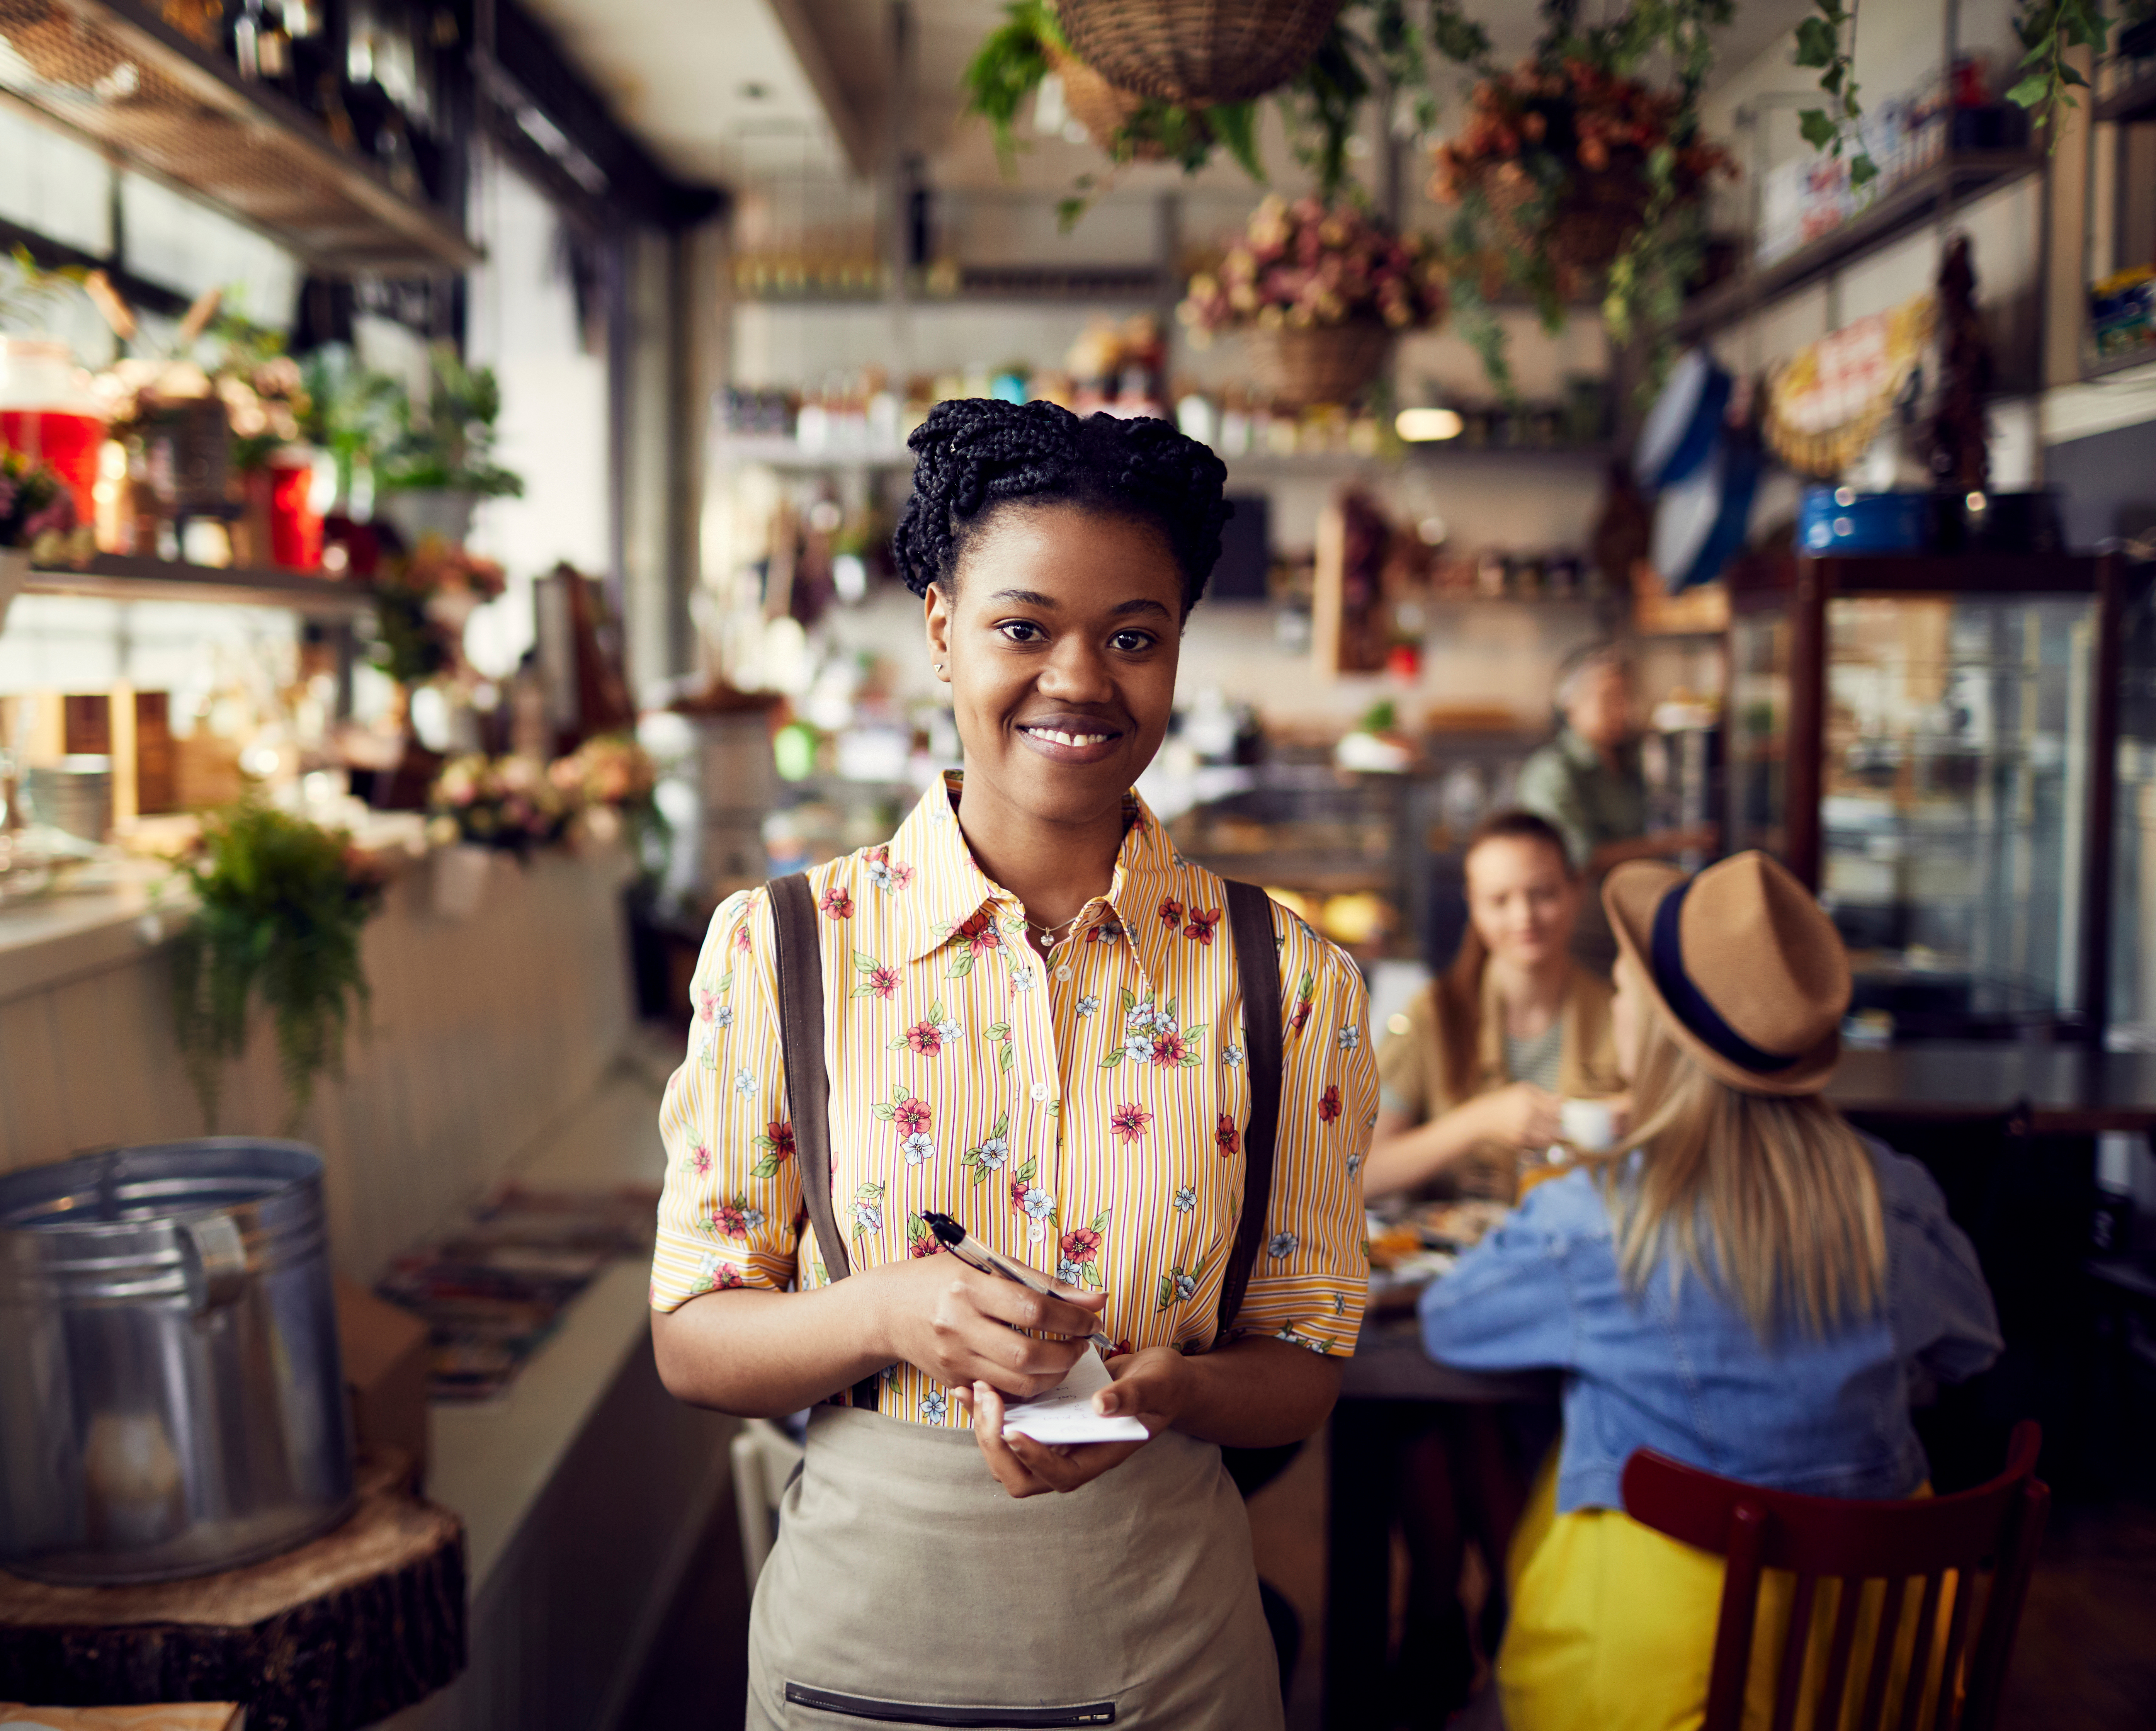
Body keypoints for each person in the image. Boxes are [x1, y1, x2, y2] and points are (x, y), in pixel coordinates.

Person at [649, 398, 1377, 1729]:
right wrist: (887, 1313)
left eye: (1134, 637)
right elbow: (694, 1341)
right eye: (1022, 628)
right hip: (861, 1659)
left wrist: (1180, 1394)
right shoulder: (784, 951)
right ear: (941, 631)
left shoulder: (1291, 984)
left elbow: (1305, 1365)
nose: (1079, 679)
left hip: (1172, 1660)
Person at [1419, 850, 2002, 1730]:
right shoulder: (1893, 1194)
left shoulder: (1598, 1216)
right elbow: (1972, 1346)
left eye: (1622, 989)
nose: (1615, 1000)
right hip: (1875, 1674)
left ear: (1651, 1027)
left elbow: (1448, 1320)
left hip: (1655, 1676)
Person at [1367, 808, 1627, 1206]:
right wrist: (1480, 1120)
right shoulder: (1434, 1014)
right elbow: (1363, 1171)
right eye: (1499, 899)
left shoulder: (1621, 1014)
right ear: (1473, 904)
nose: (1524, 916)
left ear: (1576, 892)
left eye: (1543, 893)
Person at [1515, 642, 1714, 971]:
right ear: (1570, 705)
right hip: (1580, 929)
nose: (1622, 710)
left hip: (1630, 921)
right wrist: (1675, 843)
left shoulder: (1625, 764)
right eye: (1608, 698)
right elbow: (1583, 856)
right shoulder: (1552, 772)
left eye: (1625, 698)